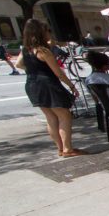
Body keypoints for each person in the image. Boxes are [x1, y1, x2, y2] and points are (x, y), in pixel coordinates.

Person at [15, 19, 85, 157]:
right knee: (64, 115)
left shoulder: (25, 50)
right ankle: (68, 149)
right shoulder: (43, 51)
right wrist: (71, 86)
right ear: (41, 32)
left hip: (32, 83)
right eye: (47, 31)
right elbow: (58, 72)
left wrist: (34, 69)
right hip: (47, 84)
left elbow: (18, 64)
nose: (49, 33)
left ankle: (60, 148)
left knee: (50, 117)